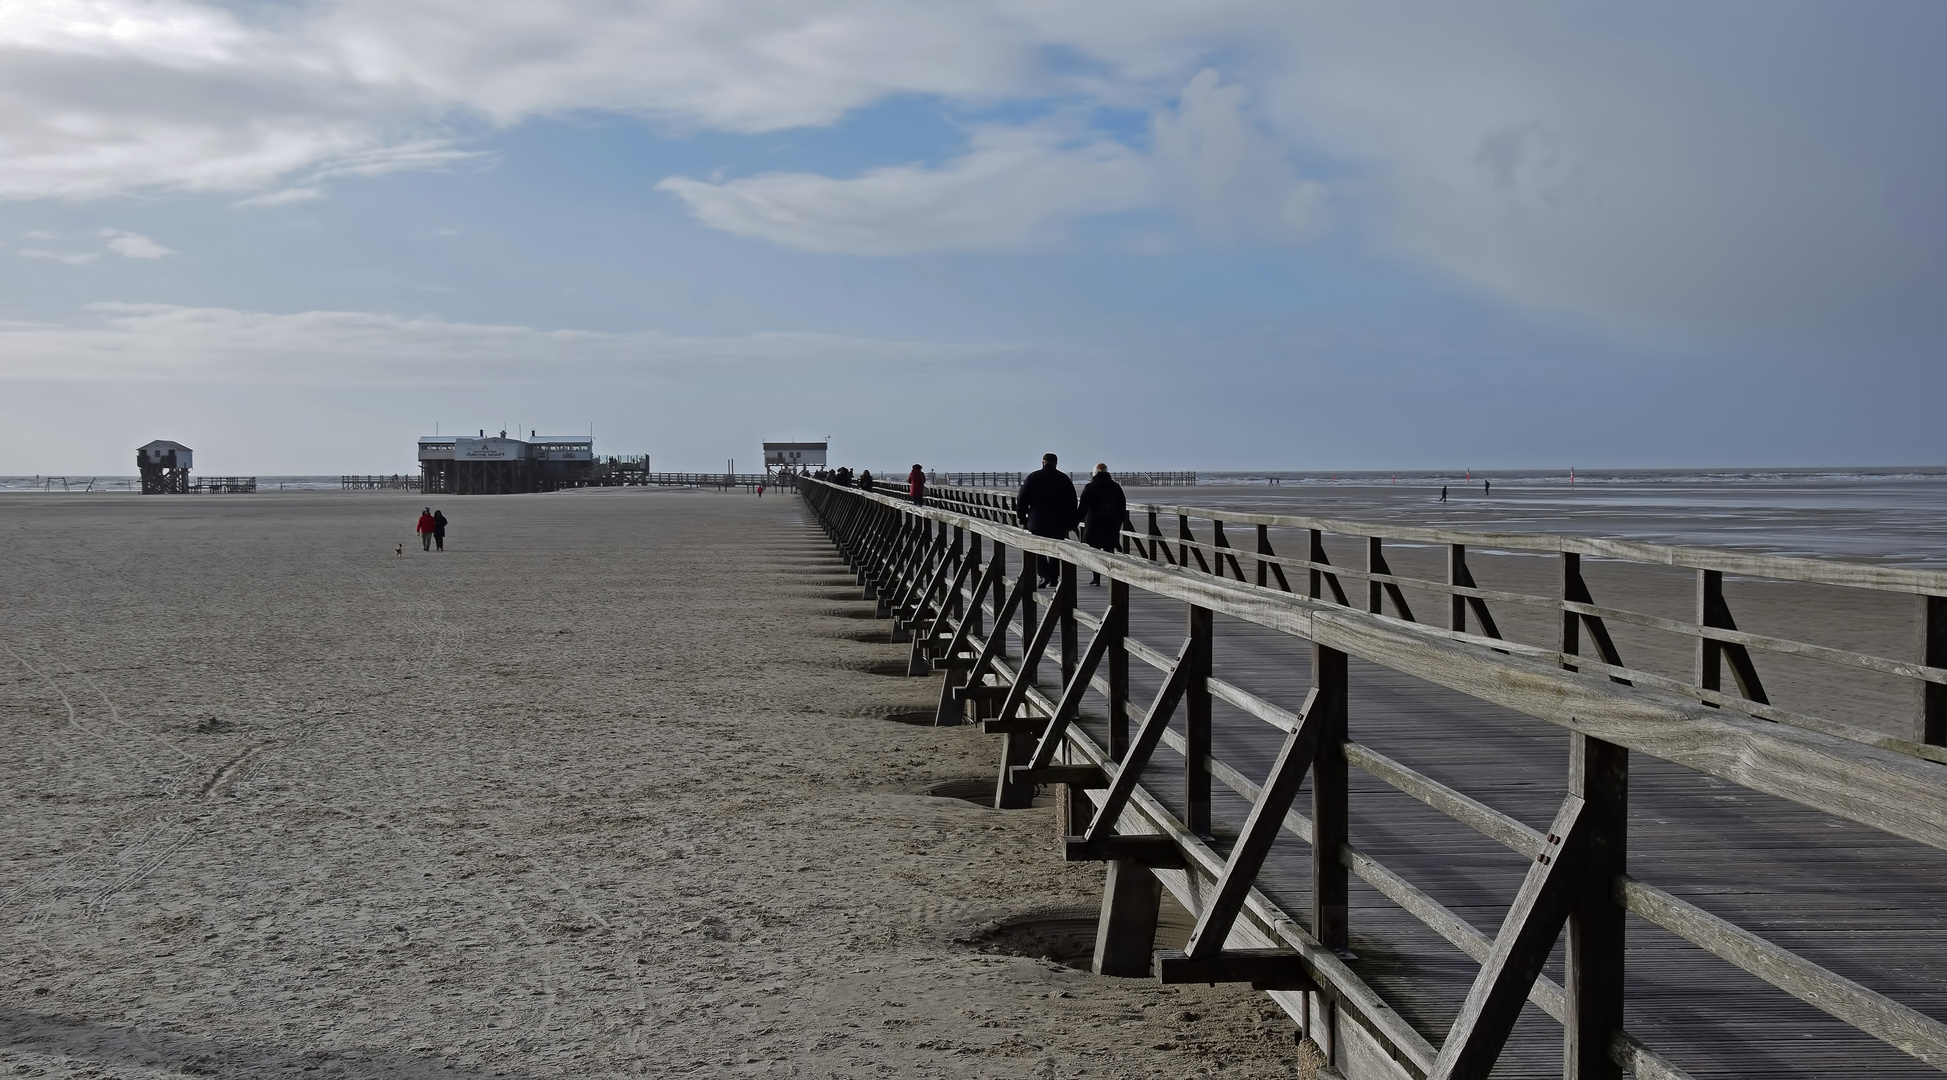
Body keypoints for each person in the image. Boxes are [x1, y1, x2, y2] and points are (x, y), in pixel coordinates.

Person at [1016, 453, 1078, 588]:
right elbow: (1072, 502)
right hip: (1059, 521)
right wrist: (1073, 521)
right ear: (1056, 463)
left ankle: (1044, 575)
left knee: (1040, 549)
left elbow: (1022, 499)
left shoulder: (1033, 477)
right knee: (1056, 550)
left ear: (1043, 462)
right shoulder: (1063, 479)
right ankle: (1054, 577)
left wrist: (1021, 517)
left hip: (1038, 520)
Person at [1075, 463, 1126, 586]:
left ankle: (1096, 578)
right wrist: (1119, 520)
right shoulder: (1115, 487)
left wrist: (1075, 520)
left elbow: (1083, 507)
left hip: (1094, 523)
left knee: (1095, 551)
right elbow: (1122, 505)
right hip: (1111, 522)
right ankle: (1113, 577)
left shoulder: (1090, 487)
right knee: (1109, 550)